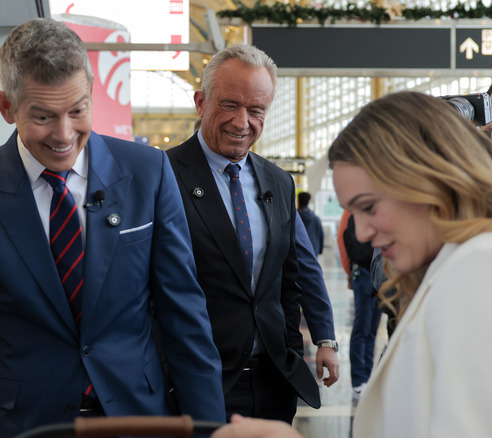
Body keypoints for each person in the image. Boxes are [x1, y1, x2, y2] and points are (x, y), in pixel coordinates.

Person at [0, 18, 225, 438]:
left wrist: (211, 430)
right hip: (25, 424)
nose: (64, 134)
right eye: (43, 116)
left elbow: (185, 318)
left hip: (137, 418)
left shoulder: (147, 173)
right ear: (6, 107)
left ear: (92, 94)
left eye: (78, 110)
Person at [211, 90, 492, 437]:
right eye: (352, 212)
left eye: (369, 207)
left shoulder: (475, 272)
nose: (361, 233)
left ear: (430, 181)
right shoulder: (446, 272)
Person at [166, 43, 320, 424]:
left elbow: (288, 282)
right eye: (230, 105)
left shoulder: (279, 182)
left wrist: (292, 351)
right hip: (195, 384)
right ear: (201, 101)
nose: (242, 122)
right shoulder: (161, 175)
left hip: (272, 385)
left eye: (256, 110)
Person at [336, 209, 381, 401]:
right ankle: (358, 379)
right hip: (363, 273)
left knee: (372, 329)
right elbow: (342, 239)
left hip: (378, 271)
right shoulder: (353, 208)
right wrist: (349, 271)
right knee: (363, 326)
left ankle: (367, 376)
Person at [294, 214, 339, 388]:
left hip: (275, 348)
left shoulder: (280, 190)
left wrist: (325, 340)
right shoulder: (315, 219)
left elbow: (307, 270)